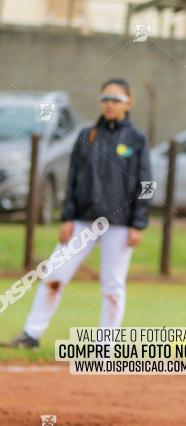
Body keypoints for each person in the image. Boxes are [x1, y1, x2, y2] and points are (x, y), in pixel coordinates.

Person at [5, 78, 151, 349]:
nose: (110, 104)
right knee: (54, 275)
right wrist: (67, 218)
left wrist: (138, 223)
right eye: (105, 98)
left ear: (128, 103)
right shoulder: (87, 135)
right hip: (84, 220)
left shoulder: (136, 139)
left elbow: (146, 184)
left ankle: (105, 347)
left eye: (116, 99)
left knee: (112, 286)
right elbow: (73, 180)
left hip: (120, 223)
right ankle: (31, 335)